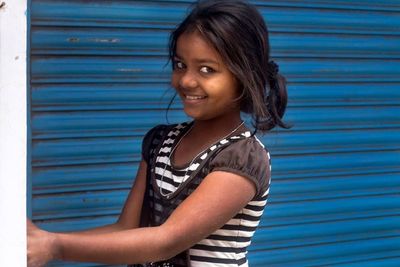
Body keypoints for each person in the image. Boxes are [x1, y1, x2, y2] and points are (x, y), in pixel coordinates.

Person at [27, 0, 289, 266]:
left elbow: (166, 241)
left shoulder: (242, 157)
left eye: (207, 69)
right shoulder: (161, 143)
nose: (186, 80)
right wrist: (42, 239)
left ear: (243, 76)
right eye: (179, 64)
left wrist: (54, 245)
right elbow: (126, 231)